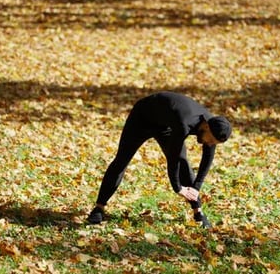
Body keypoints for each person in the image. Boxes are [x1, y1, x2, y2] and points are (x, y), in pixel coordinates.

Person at [87, 91, 231, 228]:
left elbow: (206, 159)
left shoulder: (215, 127)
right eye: (210, 140)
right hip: (142, 118)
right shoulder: (184, 123)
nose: (210, 144)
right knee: (122, 160)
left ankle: (198, 212)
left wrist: (196, 187)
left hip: (165, 124)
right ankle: (99, 208)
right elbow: (172, 159)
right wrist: (178, 188)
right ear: (206, 126)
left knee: (183, 162)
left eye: (214, 143)